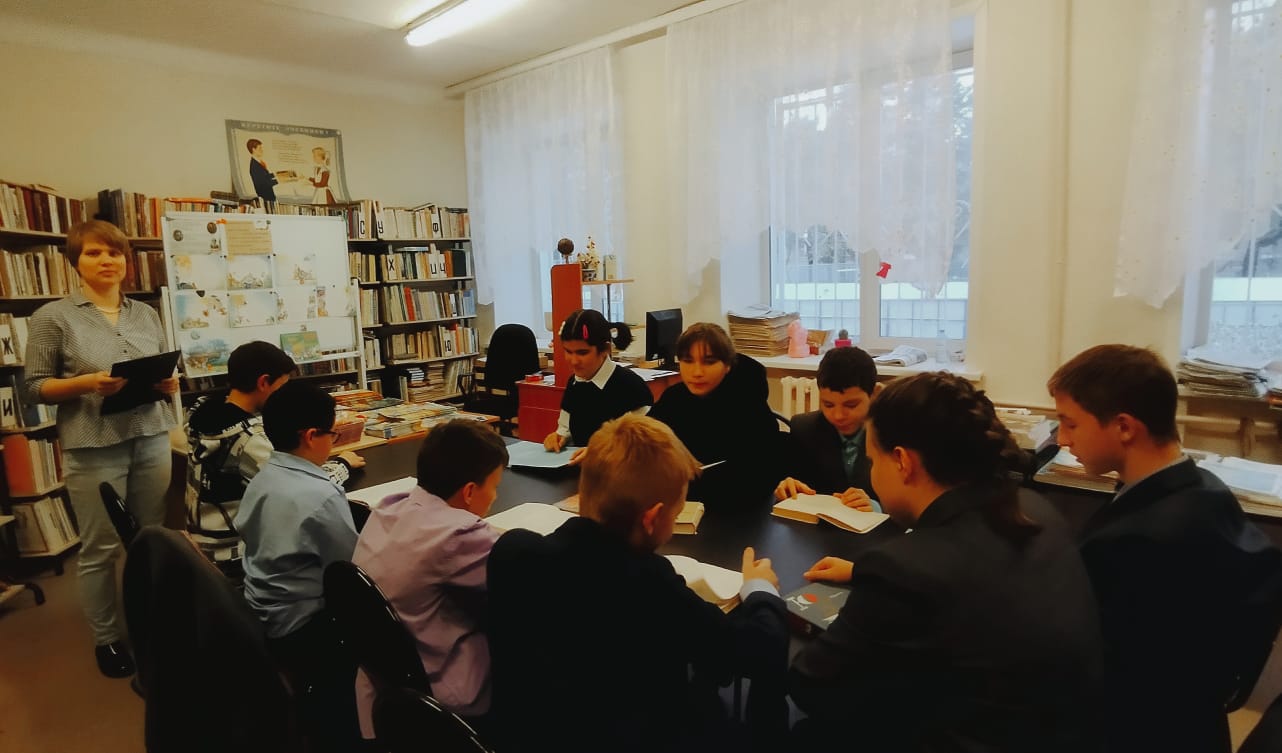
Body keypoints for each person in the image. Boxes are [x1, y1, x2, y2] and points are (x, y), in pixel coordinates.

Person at [790, 372, 1104, 751]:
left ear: (902, 462)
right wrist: (862, 572)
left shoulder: (906, 567)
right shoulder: (1036, 508)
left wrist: (761, 600)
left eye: (873, 461)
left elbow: (812, 684)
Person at [488, 414, 789, 753]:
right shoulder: (649, 583)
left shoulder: (513, 552)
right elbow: (756, 650)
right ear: (651, 518)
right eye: (675, 514)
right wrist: (760, 588)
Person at [1049, 345, 1282, 753]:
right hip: (1198, 724)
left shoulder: (1135, 542)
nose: (1061, 438)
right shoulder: (1206, 488)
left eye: (1070, 423)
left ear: (1124, 427)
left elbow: (1093, 674)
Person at [22, 219, 178, 679]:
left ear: (126, 261)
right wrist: (87, 383)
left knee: (149, 538)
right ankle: (107, 638)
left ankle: (150, 623)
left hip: (151, 434)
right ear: (76, 262)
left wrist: (168, 384)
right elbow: (34, 387)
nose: (107, 261)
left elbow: (159, 367)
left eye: (114, 253)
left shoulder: (145, 314)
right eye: (94, 253)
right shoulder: (53, 317)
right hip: (93, 445)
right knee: (101, 547)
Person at [351, 419, 509, 742]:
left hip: (379, 685)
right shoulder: (459, 534)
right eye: (495, 487)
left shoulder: (390, 506)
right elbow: (519, 582)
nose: (495, 497)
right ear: (469, 491)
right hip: (436, 697)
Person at [235, 381, 361, 752]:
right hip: (300, 627)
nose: (333, 442)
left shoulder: (264, 475)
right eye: (332, 434)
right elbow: (349, 570)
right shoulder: (321, 495)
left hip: (259, 607)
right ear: (310, 436)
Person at [185, 340, 363, 578]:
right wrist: (343, 464)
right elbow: (302, 485)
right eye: (283, 385)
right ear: (263, 382)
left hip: (200, 541)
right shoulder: (248, 440)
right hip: (233, 556)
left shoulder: (201, 410)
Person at [648, 322, 780, 509]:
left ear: (727, 365)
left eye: (709, 362)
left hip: (736, 509)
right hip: (678, 506)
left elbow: (762, 476)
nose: (697, 372)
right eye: (688, 361)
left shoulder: (748, 403)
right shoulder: (673, 398)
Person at [775, 345, 882, 512]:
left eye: (851, 405)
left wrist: (876, 507)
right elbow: (794, 482)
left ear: (874, 394)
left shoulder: (892, 433)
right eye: (828, 405)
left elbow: (911, 503)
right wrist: (788, 487)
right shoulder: (805, 429)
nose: (838, 415)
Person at [542, 308, 651, 457]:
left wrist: (598, 451)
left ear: (605, 349)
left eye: (582, 352)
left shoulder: (631, 386)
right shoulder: (575, 383)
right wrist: (558, 437)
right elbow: (565, 428)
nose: (574, 361)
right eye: (568, 351)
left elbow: (645, 442)